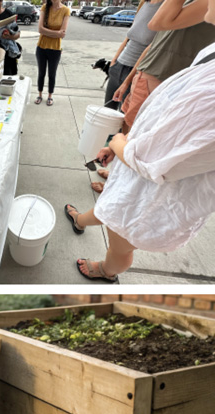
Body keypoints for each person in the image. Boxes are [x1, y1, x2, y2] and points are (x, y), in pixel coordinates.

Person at [63, 21, 215, 283]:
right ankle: (79, 221)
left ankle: (106, 271)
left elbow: (151, 161)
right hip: (140, 177)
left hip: (155, 196)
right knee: (111, 211)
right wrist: (125, 144)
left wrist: (118, 142)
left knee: (120, 243)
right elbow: (165, 127)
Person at [93, 0, 214, 192]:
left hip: (160, 78)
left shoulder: (205, 5)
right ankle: (115, 176)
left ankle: (116, 186)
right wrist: (129, 79)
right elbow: (154, 42)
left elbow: (157, 23)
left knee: (136, 142)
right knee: (127, 132)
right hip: (146, 74)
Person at [104, 0, 165, 105]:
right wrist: (114, 61)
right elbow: (129, 36)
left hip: (138, 72)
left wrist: (128, 80)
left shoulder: (167, 6)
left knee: (124, 117)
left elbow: (153, 47)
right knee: (106, 111)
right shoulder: (144, 3)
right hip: (119, 65)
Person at [34, 0, 70, 106]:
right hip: (41, 47)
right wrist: (56, 33)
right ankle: (39, 94)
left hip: (55, 49)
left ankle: (50, 96)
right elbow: (40, 29)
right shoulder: (45, 7)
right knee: (41, 73)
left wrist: (48, 32)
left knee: (52, 74)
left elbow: (62, 34)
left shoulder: (65, 10)